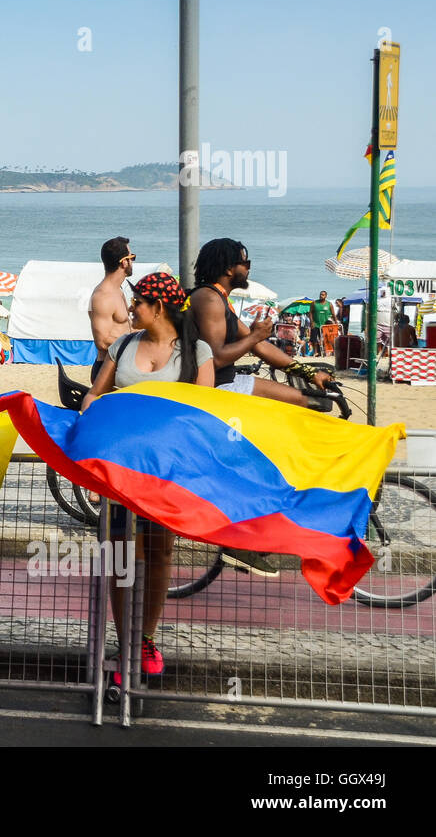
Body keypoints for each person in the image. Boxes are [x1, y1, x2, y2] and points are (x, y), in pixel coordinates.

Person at [81, 273, 214, 684]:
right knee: (123, 559)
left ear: (157, 307)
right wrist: (90, 418)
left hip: (167, 475)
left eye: (138, 302)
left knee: (158, 555)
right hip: (122, 475)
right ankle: (127, 643)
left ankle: (146, 638)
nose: (131, 308)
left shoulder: (197, 351)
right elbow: (94, 394)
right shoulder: (122, 345)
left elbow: (205, 412)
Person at [190, 238, 332, 405]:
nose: (249, 269)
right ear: (229, 269)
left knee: (302, 397)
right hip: (217, 386)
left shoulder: (219, 299)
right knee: (301, 401)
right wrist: (254, 337)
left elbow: (260, 346)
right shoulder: (209, 299)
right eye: (245, 263)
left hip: (227, 380)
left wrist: (309, 373)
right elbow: (216, 358)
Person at [88, 236, 135, 385]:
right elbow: (102, 342)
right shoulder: (103, 296)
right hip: (107, 369)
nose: (133, 262)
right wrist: (137, 345)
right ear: (124, 262)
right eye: (132, 257)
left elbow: (123, 328)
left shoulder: (117, 290)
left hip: (121, 365)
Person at [309, 291, 336, 358]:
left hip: (325, 325)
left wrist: (336, 323)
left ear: (326, 296)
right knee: (314, 339)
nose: (321, 296)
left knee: (326, 339)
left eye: (323, 295)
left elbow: (333, 314)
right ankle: (315, 352)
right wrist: (312, 322)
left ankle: (325, 352)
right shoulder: (314, 303)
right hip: (316, 324)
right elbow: (310, 313)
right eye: (321, 294)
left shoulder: (329, 304)